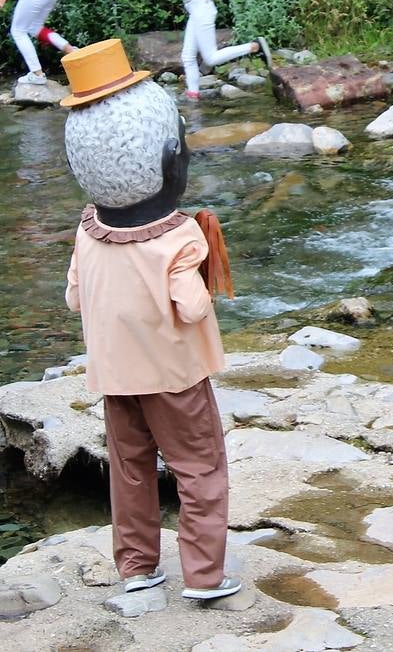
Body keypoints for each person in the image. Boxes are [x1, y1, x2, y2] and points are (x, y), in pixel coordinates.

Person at [62, 38, 242, 601]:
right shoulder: (178, 236)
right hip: (176, 376)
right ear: (170, 160)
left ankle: (137, 568)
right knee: (199, 468)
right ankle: (205, 576)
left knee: (131, 470)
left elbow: (73, 300)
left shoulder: (89, 231)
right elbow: (190, 307)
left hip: (117, 376)